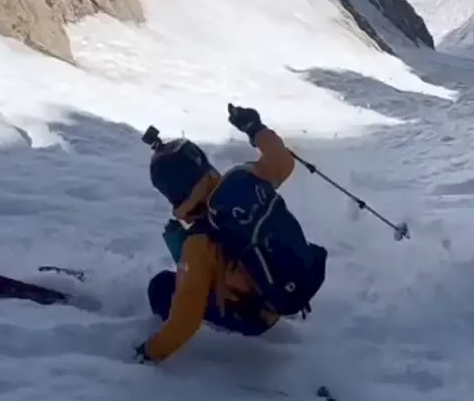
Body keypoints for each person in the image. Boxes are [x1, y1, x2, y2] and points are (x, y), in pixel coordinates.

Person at [133, 104, 328, 364]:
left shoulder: (199, 242)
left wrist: (149, 352)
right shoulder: (246, 178)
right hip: (300, 276)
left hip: (256, 317)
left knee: (161, 287)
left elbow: (186, 321)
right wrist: (255, 128)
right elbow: (283, 160)